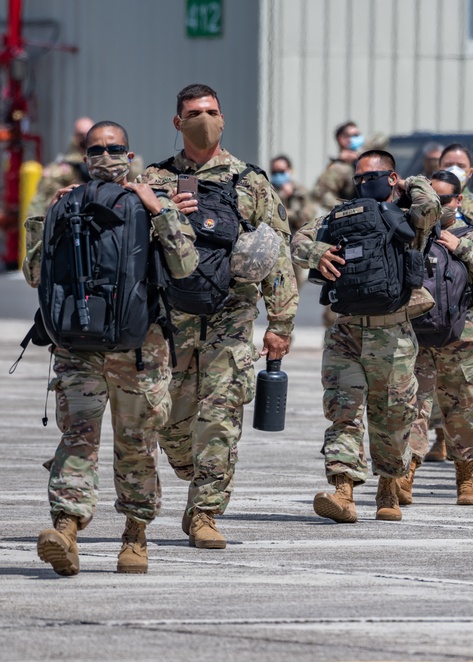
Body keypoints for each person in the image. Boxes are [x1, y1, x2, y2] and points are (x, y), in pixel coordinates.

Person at [25, 121, 198, 575]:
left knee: (137, 444)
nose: (106, 156)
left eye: (114, 148)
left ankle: (135, 536)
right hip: (78, 346)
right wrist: (49, 218)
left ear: (130, 154)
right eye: (97, 149)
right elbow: (34, 274)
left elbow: (185, 265)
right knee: (77, 437)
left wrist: (157, 210)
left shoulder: (152, 201)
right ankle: (65, 529)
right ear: (84, 157)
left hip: (140, 349)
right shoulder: (66, 203)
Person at [140, 83, 298, 549]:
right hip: (170, 318)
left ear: (223, 118)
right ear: (177, 122)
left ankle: (205, 512)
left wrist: (281, 324)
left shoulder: (251, 182)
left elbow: (278, 255)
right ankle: (193, 470)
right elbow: (130, 246)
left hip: (231, 315)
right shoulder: (155, 179)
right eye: (193, 113)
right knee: (169, 421)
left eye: (211, 111)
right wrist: (161, 213)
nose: (204, 120)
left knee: (221, 416)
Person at [293, 149, 439, 522]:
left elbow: (431, 207)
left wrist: (412, 183)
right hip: (345, 332)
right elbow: (298, 241)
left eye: (370, 177)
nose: (362, 184)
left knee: (393, 417)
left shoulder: (408, 218)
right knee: (343, 412)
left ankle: (389, 487)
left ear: (391, 178)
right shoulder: (340, 217)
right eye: (357, 178)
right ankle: (343, 492)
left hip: (393, 335)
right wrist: (318, 252)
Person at [403, 170, 473, 506]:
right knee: (413, 409)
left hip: (461, 339)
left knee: (461, 411)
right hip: (417, 337)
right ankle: (406, 476)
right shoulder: (410, 234)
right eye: (430, 199)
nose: (437, 206)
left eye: (444, 200)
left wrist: (462, 248)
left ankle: (466, 479)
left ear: (458, 201)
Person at [26, 117, 94, 219]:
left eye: (89, 135)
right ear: (74, 137)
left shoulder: (104, 167)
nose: (85, 139)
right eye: (81, 135)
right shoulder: (59, 170)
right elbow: (38, 203)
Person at [271, 154, 319, 289]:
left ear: (290, 170)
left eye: (281, 171)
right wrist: (281, 198)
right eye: (274, 172)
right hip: (274, 243)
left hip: (294, 242)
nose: (278, 175)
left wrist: (289, 209)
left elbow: (308, 216)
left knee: (295, 283)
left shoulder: (300, 192)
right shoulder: (268, 190)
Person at [438, 143, 473, 224]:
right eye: (448, 165)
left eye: (461, 166)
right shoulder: (428, 201)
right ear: (439, 169)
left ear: (470, 172)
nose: (454, 170)